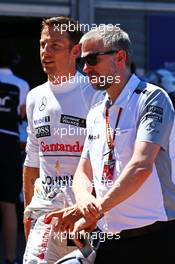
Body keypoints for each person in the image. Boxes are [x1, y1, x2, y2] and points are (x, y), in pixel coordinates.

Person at [45, 25, 175, 263]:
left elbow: (140, 167)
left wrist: (95, 209)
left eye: (92, 59)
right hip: (108, 239)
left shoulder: (152, 98)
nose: (85, 68)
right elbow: (83, 171)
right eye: (82, 61)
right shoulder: (96, 110)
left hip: (156, 239)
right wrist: (84, 202)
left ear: (120, 57)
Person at [22, 16, 103, 264]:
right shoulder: (35, 97)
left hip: (83, 216)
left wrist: (93, 212)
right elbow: (32, 162)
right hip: (45, 212)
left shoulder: (94, 93)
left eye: (55, 45)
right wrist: (28, 215)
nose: (46, 52)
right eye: (42, 44)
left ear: (75, 51)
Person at [0, 41, 29, 264]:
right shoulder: (21, 84)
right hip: (9, 142)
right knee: (9, 203)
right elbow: (22, 114)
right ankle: (10, 259)